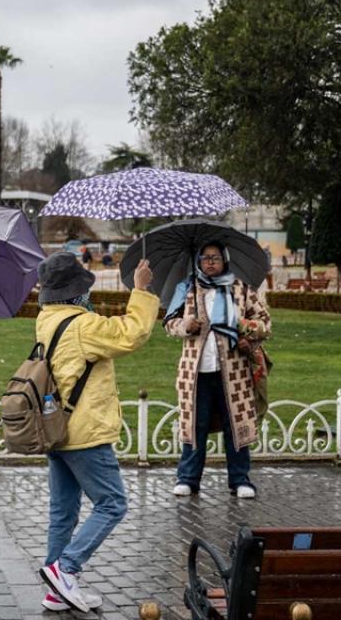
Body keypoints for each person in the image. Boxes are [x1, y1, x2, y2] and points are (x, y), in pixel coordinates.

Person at [36, 252, 157, 614]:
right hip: (85, 433)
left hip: (56, 428)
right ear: (75, 292)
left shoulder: (46, 319)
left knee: (63, 511)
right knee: (113, 503)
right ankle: (65, 568)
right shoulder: (83, 326)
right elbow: (131, 333)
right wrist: (140, 289)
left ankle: (57, 590)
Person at [164, 242, 272, 500]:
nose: (210, 263)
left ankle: (240, 479)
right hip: (196, 371)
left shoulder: (241, 289)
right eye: (205, 258)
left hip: (233, 370)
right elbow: (168, 323)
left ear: (225, 260)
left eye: (215, 258)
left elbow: (265, 324)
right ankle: (188, 478)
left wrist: (245, 330)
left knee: (237, 425)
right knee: (194, 425)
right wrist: (185, 324)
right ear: (198, 261)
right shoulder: (187, 289)